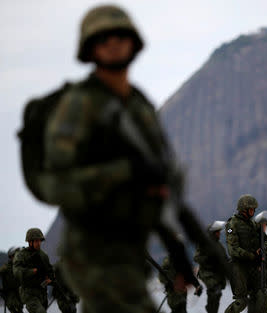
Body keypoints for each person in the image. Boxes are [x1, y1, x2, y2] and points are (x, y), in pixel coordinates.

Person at [41, 5, 198, 313]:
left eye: (120, 35)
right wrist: (123, 172)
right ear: (90, 48)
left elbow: (158, 188)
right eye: (103, 38)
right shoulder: (77, 105)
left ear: (133, 43)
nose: (113, 43)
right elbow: (55, 183)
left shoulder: (140, 108)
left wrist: (177, 252)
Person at [224, 194, 267, 313]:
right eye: (251, 209)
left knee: (263, 295)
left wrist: (263, 249)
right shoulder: (232, 224)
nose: (253, 211)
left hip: (253, 266)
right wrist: (252, 255)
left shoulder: (254, 225)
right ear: (244, 209)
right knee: (241, 301)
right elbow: (233, 250)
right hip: (239, 267)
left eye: (254, 209)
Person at [13, 228, 53, 313]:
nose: (39, 243)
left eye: (40, 241)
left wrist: (50, 279)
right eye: (36, 241)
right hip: (29, 293)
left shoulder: (43, 256)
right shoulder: (21, 255)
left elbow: (50, 272)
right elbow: (17, 272)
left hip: (42, 293)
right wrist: (33, 271)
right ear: (30, 242)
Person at [194, 221, 228, 313]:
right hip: (207, 273)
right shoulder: (203, 244)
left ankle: (212, 310)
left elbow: (225, 260)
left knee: (217, 293)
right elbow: (196, 258)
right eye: (217, 232)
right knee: (214, 290)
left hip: (218, 275)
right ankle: (210, 309)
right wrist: (208, 258)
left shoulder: (220, 246)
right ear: (212, 233)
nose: (219, 234)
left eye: (219, 232)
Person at [0, 247, 23, 313]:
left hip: (18, 293)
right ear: (11, 257)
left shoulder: (20, 266)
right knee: (13, 307)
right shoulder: (6, 267)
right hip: (10, 294)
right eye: (16, 255)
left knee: (19, 308)